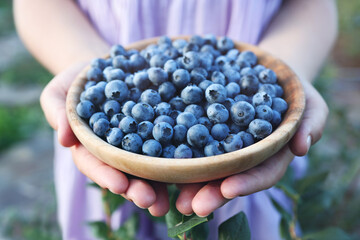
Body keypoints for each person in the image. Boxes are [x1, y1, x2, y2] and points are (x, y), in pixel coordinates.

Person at [14, 0, 337, 239]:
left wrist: (287, 62)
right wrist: (81, 59)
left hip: (247, 173)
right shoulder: (118, 100)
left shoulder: (242, 104)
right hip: (110, 138)